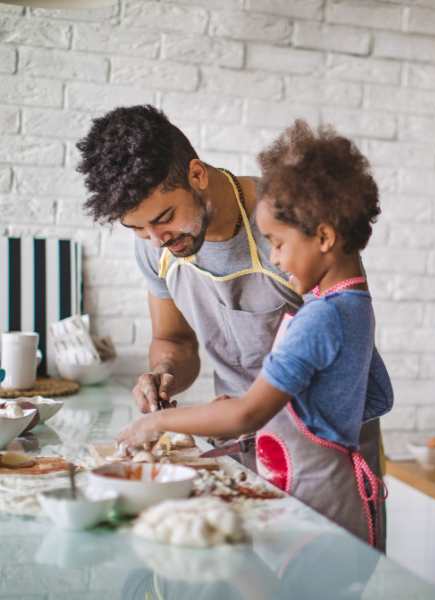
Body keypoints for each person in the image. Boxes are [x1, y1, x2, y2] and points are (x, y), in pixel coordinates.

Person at [77, 109, 392, 547]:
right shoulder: (156, 250)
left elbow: (339, 348)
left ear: (197, 174)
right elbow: (174, 341)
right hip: (242, 442)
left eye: (164, 217)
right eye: (138, 229)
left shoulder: (288, 218)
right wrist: (164, 372)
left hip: (323, 456)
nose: (155, 239)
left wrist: (171, 421)